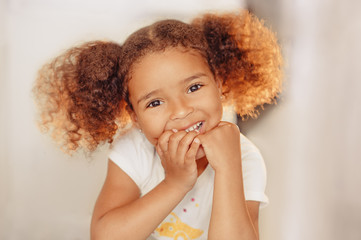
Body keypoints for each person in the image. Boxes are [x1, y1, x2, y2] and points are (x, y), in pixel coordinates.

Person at [33, 9, 282, 240]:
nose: (181, 110)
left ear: (219, 84)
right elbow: (104, 236)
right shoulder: (135, 149)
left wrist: (229, 169)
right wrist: (175, 184)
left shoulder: (244, 158)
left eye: (194, 87)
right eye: (155, 103)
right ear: (134, 116)